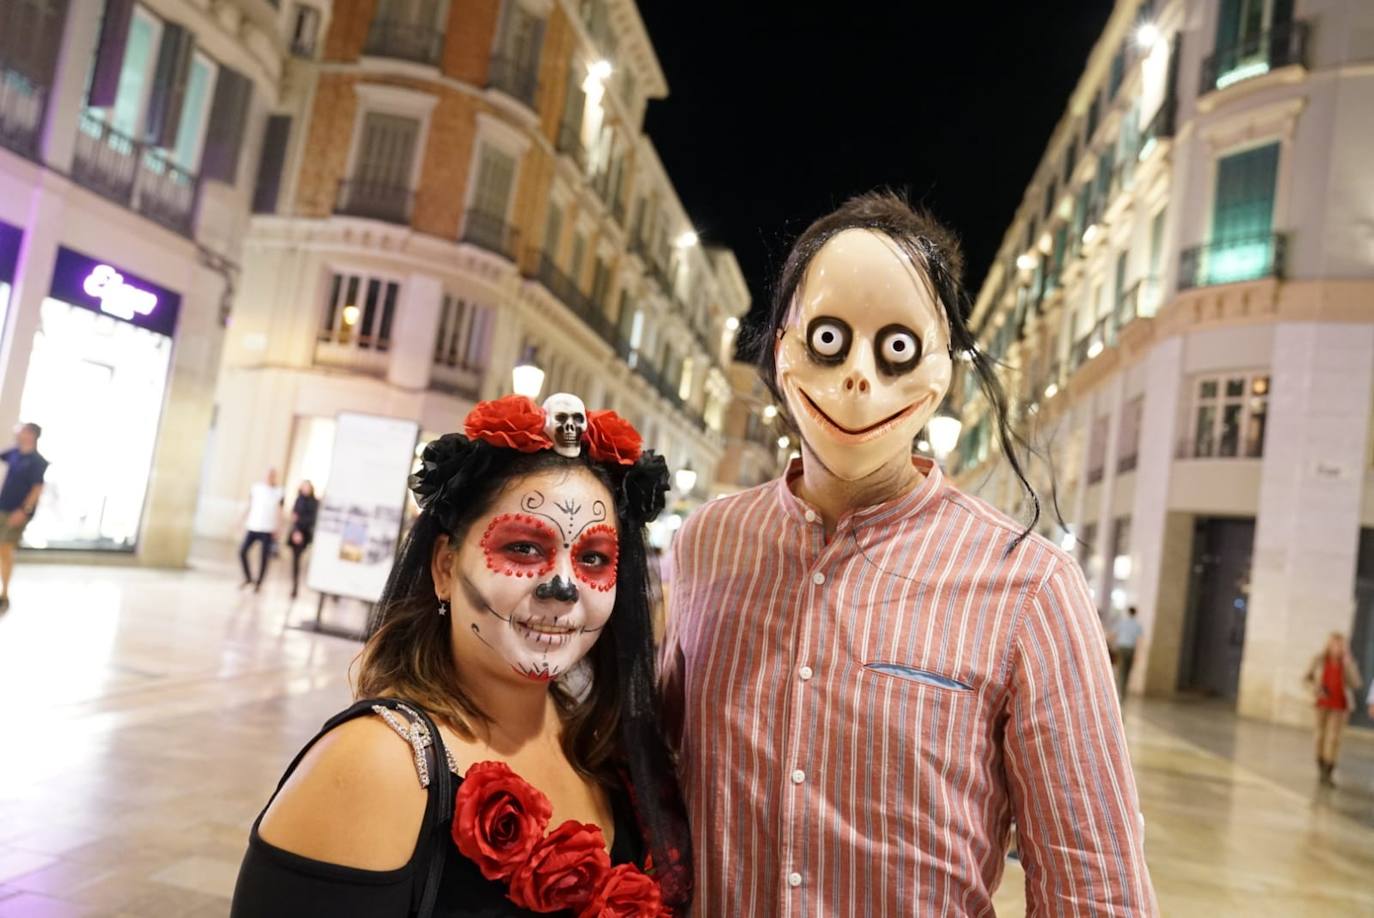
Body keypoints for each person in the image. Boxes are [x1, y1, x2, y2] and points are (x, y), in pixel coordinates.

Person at [661, 192, 1156, 915]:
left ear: (940, 375)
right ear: (781, 349)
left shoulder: (1029, 586)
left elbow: (1096, 887)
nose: (860, 377)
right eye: (829, 339)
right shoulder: (705, 544)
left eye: (896, 349)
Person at [231, 393, 690, 917]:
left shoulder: (599, 749)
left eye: (592, 558)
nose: (562, 587)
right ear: (445, 567)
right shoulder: (376, 766)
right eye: (523, 548)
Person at [1303, 631, 1363, 788]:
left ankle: (1329, 770)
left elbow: (1356, 683)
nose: (1337, 648)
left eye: (1340, 645)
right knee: (1320, 735)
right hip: (1322, 703)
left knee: (1334, 738)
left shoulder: (1347, 663)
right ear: (1329, 645)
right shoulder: (1319, 660)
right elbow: (1306, 679)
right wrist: (1316, 689)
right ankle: (1320, 764)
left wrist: (1348, 662)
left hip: (1340, 705)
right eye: (1334, 644)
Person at [0, 423, 47, 612]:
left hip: (18, 512)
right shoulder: (15, 453)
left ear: (31, 435)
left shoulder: (37, 461)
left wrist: (24, 510)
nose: (18, 433)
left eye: (22, 431)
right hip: (2, 507)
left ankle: (4, 593)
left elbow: (37, 488)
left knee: (5, 549)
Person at [240, 469, 283, 593]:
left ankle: (259, 583)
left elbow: (280, 511)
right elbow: (249, 505)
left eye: (272, 476)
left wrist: (279, 528)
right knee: (242, 551)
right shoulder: (256, 488)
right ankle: (248, 578)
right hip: (253, 526)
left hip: (268, 529)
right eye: (268, 475)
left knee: (264, 557)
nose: (269, 477)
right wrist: (240, 520)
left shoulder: (279, 492)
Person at [287, 480, 320, 599]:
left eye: (308, 487)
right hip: (296, 533)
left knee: (300, 560)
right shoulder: (298, 499)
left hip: (305, 534)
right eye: (304, 487)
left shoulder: (315, 502)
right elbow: (294, 516)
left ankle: (298, 586)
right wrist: (296, 531)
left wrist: (301, 531)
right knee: (295, 561)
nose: (306, 489)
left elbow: (311, 519)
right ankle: (294, 587)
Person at [1113, 605, 1144, 700]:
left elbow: (1114, 634)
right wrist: (1137, 654)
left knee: (1120, 670)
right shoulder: (1138, 625)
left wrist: (1114, 647)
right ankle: (1123, 693)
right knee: (1127, 672)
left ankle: (1117, 692)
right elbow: (1139, 640)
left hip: (1121, 648)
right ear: (1135, 613)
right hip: (1131, 649)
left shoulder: (1122, 623)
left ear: (1128, 612)